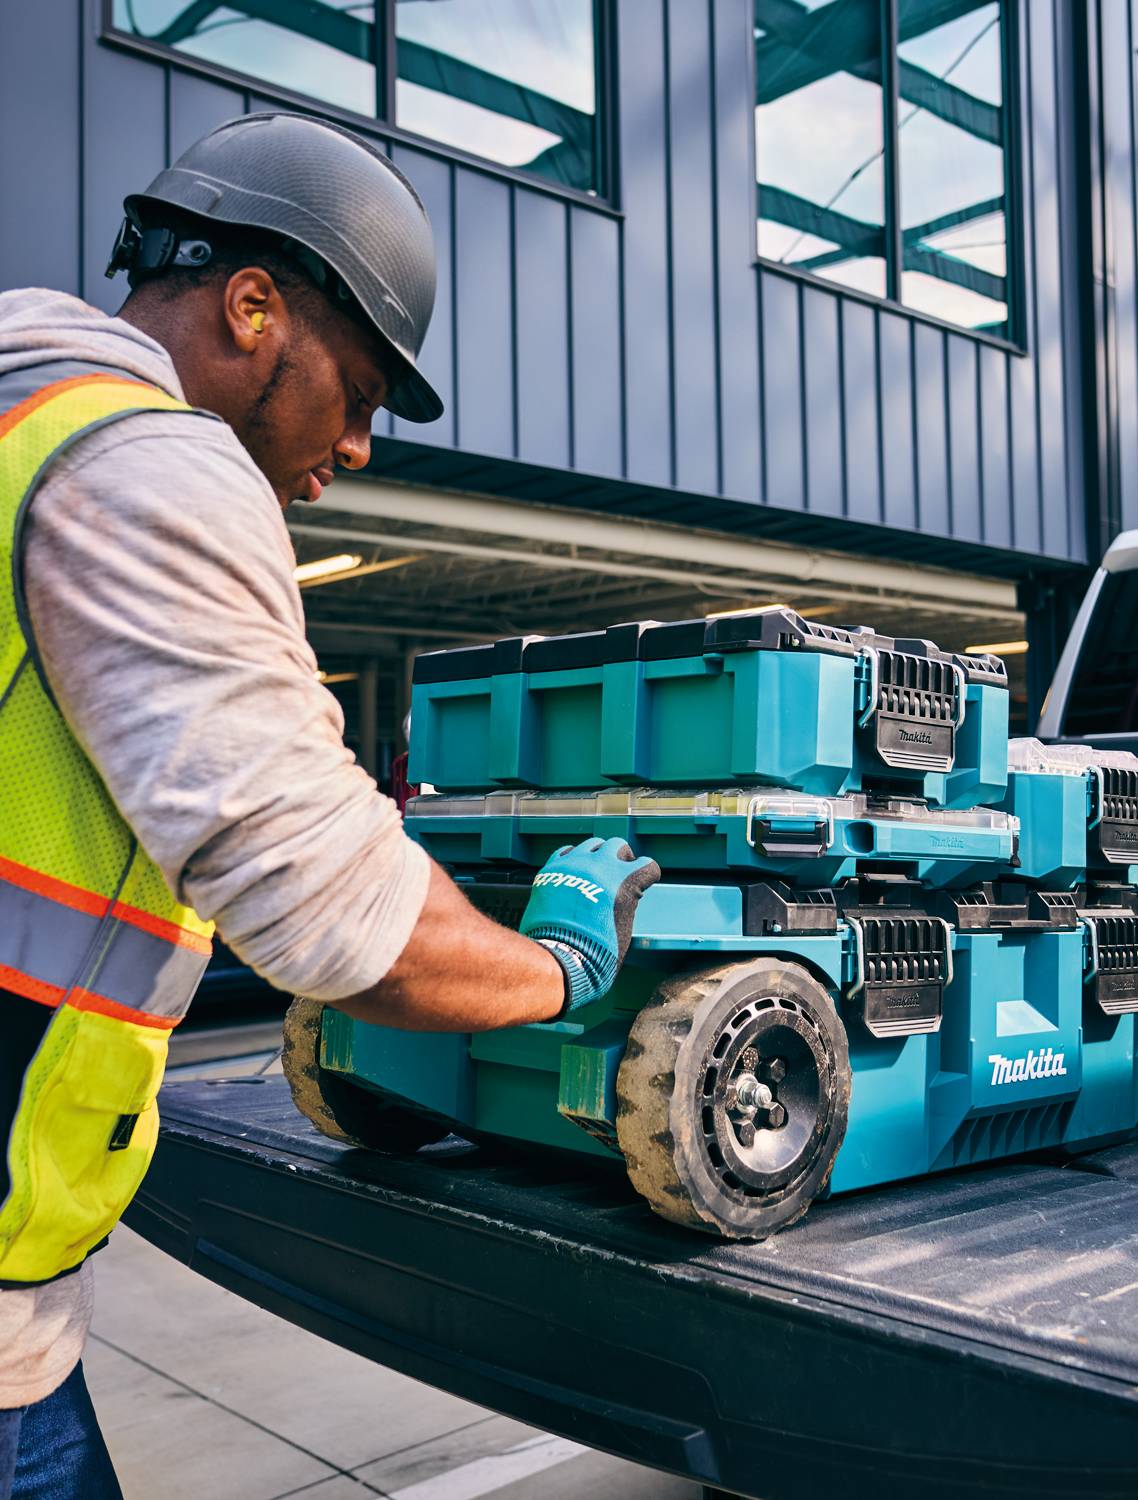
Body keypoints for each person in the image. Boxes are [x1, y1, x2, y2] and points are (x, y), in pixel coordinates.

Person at [0, 111, 658, 1500]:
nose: (357, 445)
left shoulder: (22, 426)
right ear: (252, 309)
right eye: (356, 392)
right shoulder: (144, 464)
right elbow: (340, 921)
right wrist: (563, 965)